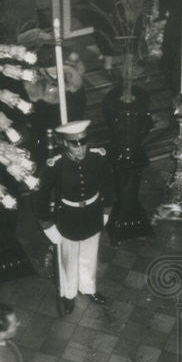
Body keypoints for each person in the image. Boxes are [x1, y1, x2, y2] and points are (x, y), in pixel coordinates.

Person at [35, 119, 114, 315]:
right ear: (64, 143)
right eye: (74, 145)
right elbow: (40, 197)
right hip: (67, 217)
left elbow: (108, 185)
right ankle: (68, 294)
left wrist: (106, 211)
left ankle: (88, 288)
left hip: (93, 213)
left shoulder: (98, 157)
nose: (81, 150)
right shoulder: (54, 166)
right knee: (68, 259)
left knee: (90, 254)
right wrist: (47, 225)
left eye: (83, 143)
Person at [102, 64, 153, 241]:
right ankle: (124, 207)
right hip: (120, 150)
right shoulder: (112, 101)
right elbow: (110, 122)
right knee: (122, 181)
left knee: (132, 180)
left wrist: (137, 138)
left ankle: (130, 207)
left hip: (135, 150)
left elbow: (147, 122)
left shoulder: (141, 100)